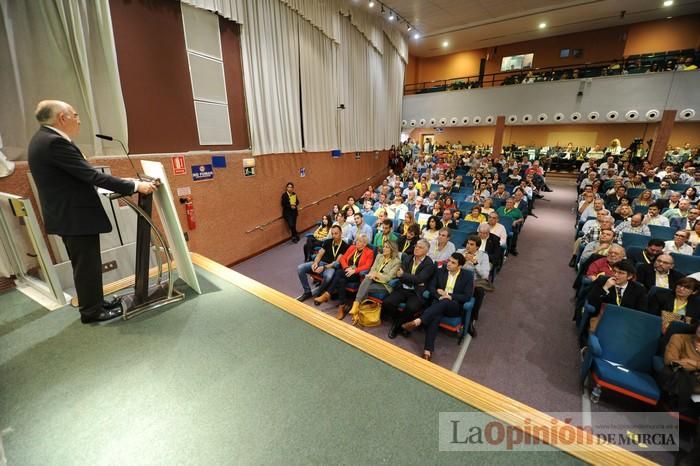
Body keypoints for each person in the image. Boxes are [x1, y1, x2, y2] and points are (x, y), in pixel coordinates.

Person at [27, 100, 157, 324]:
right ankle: (92, 312)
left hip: (69, 215)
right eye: (75, 115)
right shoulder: (54, 143)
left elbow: (78, 175)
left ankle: (96, 303)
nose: (79, 120)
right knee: (86, 266)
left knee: (88, 264)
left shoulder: (43, 140)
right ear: (62, 118)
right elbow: (91, 176)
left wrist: (123, 181)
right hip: (73, 217)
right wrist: (135, 186)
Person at [401, 253, 474, 361]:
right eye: (449, 260)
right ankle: (427, 351)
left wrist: (449, 295)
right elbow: (431, 287)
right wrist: (438, 295)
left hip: (453, 306)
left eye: (453, 263)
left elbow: (467, 296)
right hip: (438, 302)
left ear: (460, 266)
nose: (449, 264)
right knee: (435, 317)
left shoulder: (467, 276)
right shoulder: (441, 271)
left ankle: (418, 321)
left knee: (444, 302)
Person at [382, 239, 436, 339]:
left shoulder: (429, 264)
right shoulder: (408, 258)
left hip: (416, 292)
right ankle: (401, 323)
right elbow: (399, 274)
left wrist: (405, 275)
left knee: (411, 308)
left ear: (426, 251)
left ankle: (396, 327)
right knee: (387, 302)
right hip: (403, 287)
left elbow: (420, 278)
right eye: (416, 246)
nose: (416, 248)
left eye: (420, 247)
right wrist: (411, 278)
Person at [317, 233, 374, 317]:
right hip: (346, 272)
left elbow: (367, 266)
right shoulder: (352, 248)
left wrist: (354, 270)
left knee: (339, 272)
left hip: (356, 275)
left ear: (364, 244)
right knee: (341, 281)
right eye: (357, 240)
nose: (357, 242)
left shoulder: (369, 252)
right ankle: (341, 307)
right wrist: (346, 267)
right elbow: (343, 258)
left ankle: (328, 293)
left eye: (360, 241)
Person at [586, 259, 648, 330]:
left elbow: (641, 312)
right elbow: (591, 302)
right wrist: (605, 288)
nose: (616, 275)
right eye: (614, 271)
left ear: (629, 276)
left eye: (620, 273)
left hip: (626, 323)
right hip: (604, 319)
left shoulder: (639, 289)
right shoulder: (602, 281)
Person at [345, 241, 401, 319]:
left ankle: (356, 307)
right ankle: (357, 307)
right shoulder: (379, 256)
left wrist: (377, 275)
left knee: (364, 287)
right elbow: (372, 269)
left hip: (384, 285)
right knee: (367, 279)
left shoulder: (396, 262)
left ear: (392, 249)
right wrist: (372, 275)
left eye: (387, 247)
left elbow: (389, 277)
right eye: (384, 246)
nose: (384, 248)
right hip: (373, 279)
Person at [297, 225, 348, 302]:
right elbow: (320, 254)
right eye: (332, 233)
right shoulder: (328, 242)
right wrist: (315, 263)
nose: (334, 236)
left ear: (341, 233)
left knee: (328, 276)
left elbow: (336, 263)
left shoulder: (344, 246)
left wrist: (324, 267)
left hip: (330, 267)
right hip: (321, 263)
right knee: (300, 268)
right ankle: (307, 292)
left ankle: (319, 292)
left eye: (336, 233)